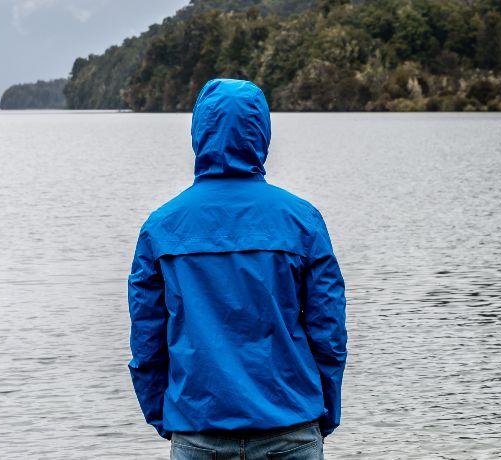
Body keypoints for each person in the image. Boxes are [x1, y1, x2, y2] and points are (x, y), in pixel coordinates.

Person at [127, 78, 347, 460]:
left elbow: (147, 344)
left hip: (198, 431)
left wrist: (165, 417)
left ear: (199, 133)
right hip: (291, 427)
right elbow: (328, 334)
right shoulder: (302, 221)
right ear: (261, 133)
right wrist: (323, 412)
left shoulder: (162, 227)